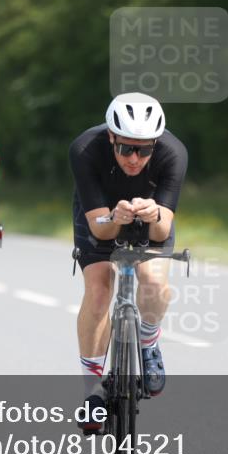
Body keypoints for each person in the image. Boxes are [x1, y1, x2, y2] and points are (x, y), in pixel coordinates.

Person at [68, 92, 188, 432]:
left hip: (149, 217)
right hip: (101, 216)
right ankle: (93, 393)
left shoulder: (173, 153)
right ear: (111, 137)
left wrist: (154, 214)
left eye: (144, 150)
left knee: (154, 282)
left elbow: (163, 228)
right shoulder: (85, 149)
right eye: (125, 149)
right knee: (98, 291)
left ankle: (148, 343)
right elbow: (99, 229)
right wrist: (114, 217)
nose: (135, 159)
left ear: (156, 144)